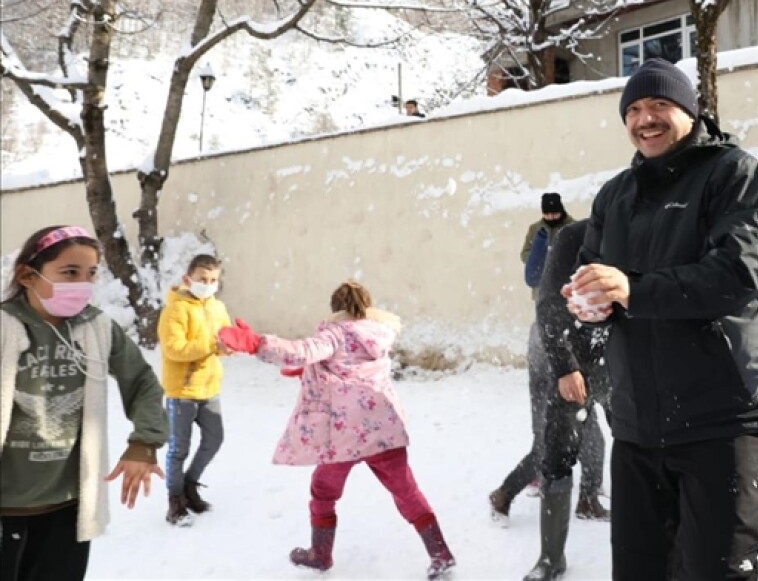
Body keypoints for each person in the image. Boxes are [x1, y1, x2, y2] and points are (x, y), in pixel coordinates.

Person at [563, 58, 758, 581]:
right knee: (639, 570)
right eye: (635, 109)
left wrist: (633, 289)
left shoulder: (734, 173)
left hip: (725, 414)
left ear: (689, 112)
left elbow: (738, 274)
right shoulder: (614, 195)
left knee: (715, 571)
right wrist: (591, 304)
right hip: (638, 419)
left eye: (660, 106)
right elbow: (599, 277)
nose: (646, 119)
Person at [217, 281, 456, 579]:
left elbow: (300, 351)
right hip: (384, 429)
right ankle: (440, 553)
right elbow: (349, 366)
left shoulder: (334, 334)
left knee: (323, 491)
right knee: (406, 491)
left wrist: (256, 343)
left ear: (335, 310)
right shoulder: (379, 334)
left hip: (345, 436)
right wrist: (313, 369)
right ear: (366, 307)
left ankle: (320, 554)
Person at [1, 225, 167, 581]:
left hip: (67, 506)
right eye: (69, 273)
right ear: (28, 275)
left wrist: (144, 442)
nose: (83, 283)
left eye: (91, 274)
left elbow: (142, 382)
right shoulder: (4, 325)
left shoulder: (96, 327)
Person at [492, 191, 602, 524]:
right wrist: (543, 241)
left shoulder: (580, 235)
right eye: (547, 216)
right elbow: (532, 275)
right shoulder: (545, 233)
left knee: (567, 436)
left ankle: (583, 497)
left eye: (555, 215)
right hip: (554, 337)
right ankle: (511, 493)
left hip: (560, 336)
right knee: (570, 436)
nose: (551, 219)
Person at [523, 220, 612, 581]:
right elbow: (548, 304)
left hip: (631, 364)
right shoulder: (576, 237)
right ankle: (550, 558)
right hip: (578, 365)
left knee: (647, 454)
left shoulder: (652, 231)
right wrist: (564, 367)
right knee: (556, 452)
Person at [158, 253, 231, 526]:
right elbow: (174, 349)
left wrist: (232, 344)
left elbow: (223, 337)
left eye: (213, 280)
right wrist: (212, 346)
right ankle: (175, 501)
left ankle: (189, 485)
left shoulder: (217, 307)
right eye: (203, 279)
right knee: (178, 449)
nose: (208, 284)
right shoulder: (175, 310)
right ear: (187, 279)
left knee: (215, 439)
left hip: (209, 387)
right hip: (182, 392)